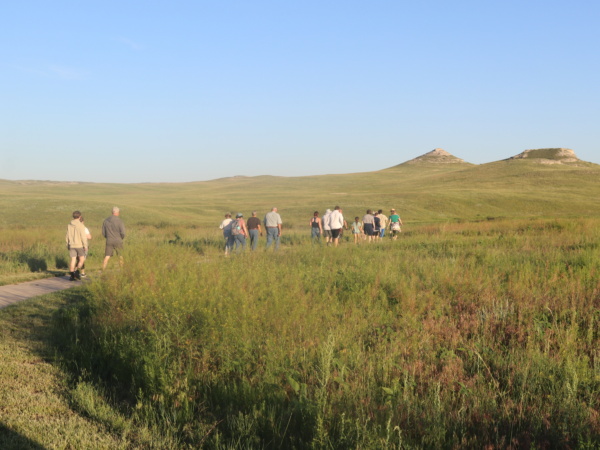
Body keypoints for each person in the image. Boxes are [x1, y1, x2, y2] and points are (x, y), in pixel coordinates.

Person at [66, 210, 88, 281]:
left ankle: (72, 275)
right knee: (81, 260)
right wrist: (85, 245)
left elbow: (67, 236)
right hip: (79, 245)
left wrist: (68, 244)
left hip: (72, 245)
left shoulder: (69, 225)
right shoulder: (81, 225)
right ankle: (75, 272)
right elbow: (83, 237)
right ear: (79, 217)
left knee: (73, 259)